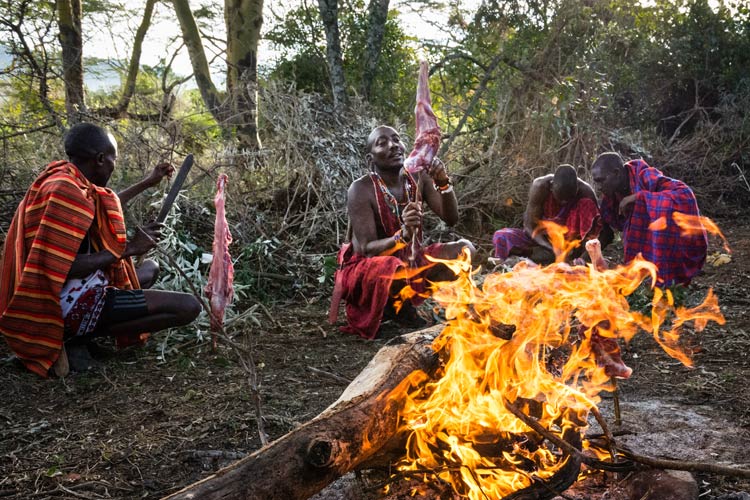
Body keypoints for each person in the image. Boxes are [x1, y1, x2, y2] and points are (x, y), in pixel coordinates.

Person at [0, 122, 201, 377]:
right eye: (113, 160)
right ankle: (75, 336)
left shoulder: (69, 180)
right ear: (99, 159)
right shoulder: (64, 191)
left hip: (86, 285)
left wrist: (148, 183)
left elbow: (105, 202)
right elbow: (60, 267)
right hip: (61, 302)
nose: (113, 166)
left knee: (150, 268)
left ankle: (89, 328)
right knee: (188, 307)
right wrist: (127, 249)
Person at [328, 125, 475, 339]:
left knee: (465, 249)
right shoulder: (360, 189)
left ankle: (423, 305)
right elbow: (367, 250)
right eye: (382, 142)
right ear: (371, 159)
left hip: (410, 262)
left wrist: (443, 182)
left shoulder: (419, 178)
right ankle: (395, 309)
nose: (393, 145)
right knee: (391, 265)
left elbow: (451, 219)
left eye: (396, 139)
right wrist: (402, 236)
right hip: (371, 271)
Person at [590, 151, 707, 287]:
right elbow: (605, 231)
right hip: (643, 247)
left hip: (666, 240)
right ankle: (644, 278)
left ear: (616, 173)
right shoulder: (610, 198)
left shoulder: (644, 176)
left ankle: (665, 278)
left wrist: (639, 197)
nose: (598, 187)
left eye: (601, 180)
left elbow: (684, 194)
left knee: (660, 207)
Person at [492, 164, 602, 265]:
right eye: (560, 198)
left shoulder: (585, 191)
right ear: (551, 186)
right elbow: (529, 226)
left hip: (570, 246)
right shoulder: (540, 186)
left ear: (577, 189)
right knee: (501, 236)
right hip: (540, 241)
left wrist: (583, 257)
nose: (563, 202)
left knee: (587, 204)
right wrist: (551, 248)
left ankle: (565, 258)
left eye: (568, 199)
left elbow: (598, 229)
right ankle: (543, 255)